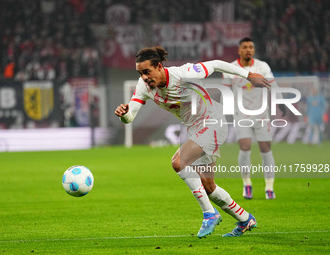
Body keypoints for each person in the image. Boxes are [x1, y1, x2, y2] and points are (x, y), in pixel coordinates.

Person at [115, 46, 271, 238]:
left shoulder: (184, 73)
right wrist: (123, 114)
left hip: (213, 122)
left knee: (178, 162)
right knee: (208, 187)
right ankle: (245, 219)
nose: (144, 77)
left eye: (146, 72)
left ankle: (209, 214)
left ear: (159, 66)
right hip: (195, 128)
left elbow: (216, 64)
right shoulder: (143, 86)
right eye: (140, 73)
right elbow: (130, 117)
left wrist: (248, 75)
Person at [222, 37, 286, 200]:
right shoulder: (231, 68)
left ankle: (269, 188)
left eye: (251, 47)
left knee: (265, 148)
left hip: (261, 115)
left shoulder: (262, 66)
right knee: (245, 146)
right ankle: (247, 184)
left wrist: (280, 101)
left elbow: (273, 84)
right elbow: (225, 91)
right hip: (241, 115)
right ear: (239, 50)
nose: (248, 50)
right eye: (245, 47)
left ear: (254, 50)